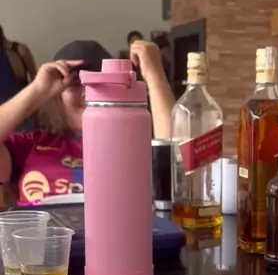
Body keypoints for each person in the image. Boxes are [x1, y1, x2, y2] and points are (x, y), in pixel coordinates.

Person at [0, 39, 174, 206]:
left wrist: (155, 76)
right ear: (59, 97)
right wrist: (37, 90)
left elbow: (175, 160)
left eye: (100, 84)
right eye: (76, 84)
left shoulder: (135, 145)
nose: (88, 93)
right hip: (39, 227)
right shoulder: (33, 144)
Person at [0, 26, 37, 129]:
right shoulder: (19, 50)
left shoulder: (19, 50)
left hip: (24, 113)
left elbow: (36, 82)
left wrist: (37, 115)